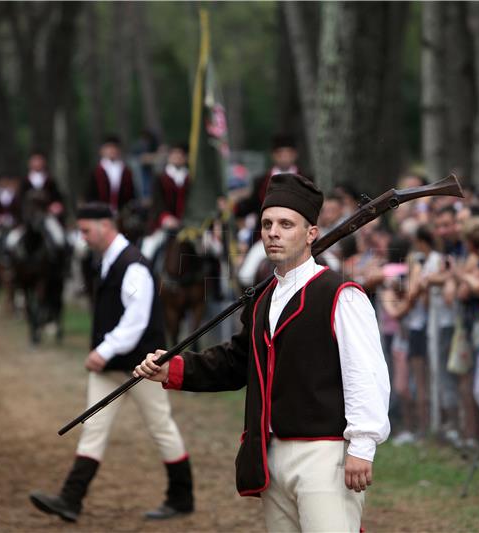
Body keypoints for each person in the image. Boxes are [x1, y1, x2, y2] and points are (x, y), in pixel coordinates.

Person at [135, 173, 391, 531]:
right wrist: (174, 369)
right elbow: (237, 361)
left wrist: (362, 445)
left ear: (311, 233)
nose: (273, 232)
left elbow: (365, 372)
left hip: (325, 455)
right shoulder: (263, 298)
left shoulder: (341, 294)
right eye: (268, 224)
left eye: (287, 224)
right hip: (270, 454)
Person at [29, 203, 194, 523]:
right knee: (93, 427)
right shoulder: (109, 261)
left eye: (87, 230)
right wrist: (105, 355)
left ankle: (182, 497)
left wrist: (104, 350)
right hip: (111, 367)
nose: (83, 237)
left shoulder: (133, 265)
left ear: (106, 226)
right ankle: (70, 499)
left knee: (161, 427)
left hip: (141, 367)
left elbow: (136, 319)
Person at [85, 136, 137, 211]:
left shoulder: (126, 171)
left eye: (114, 147)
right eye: (109, 147)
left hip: (122, 212)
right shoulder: (96, 171)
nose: (112, 150)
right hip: (101, 212)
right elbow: (90, 195)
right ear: (102, 150)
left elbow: (131, 194)